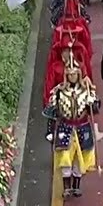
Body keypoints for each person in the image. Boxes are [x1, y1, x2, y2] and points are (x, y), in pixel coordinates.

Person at [42, 54, 99, 198]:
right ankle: (67, 187)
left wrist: (93, 101)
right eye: (70, 74)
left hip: (82, 127)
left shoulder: (86, 90)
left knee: (79, 160)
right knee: (65, 158)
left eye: (75, 74)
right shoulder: (59, 92)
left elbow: (96, 109)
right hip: (65, 127)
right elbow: (51, 112)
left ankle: (76, 186)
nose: (73, 76)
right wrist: (50, 131)